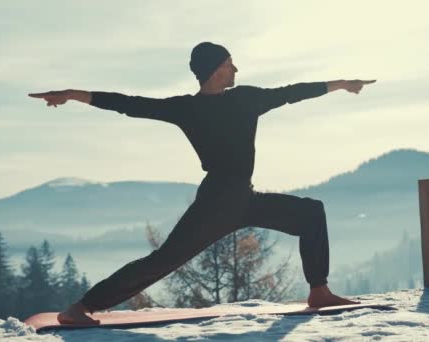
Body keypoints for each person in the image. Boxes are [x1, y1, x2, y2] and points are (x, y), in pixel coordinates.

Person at [29, 42, 376, 325]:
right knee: (162, 261)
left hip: (242, 196)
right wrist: (74, 94)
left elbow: (292, 92)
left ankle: (319, 290)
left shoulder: (241, 99)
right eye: (230, 63)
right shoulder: (196, 108)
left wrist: (341, 84)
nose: (236, 70)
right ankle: (80, 308)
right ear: (214, 70)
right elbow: (129, 105)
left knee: (310, 214)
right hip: (217, 203)